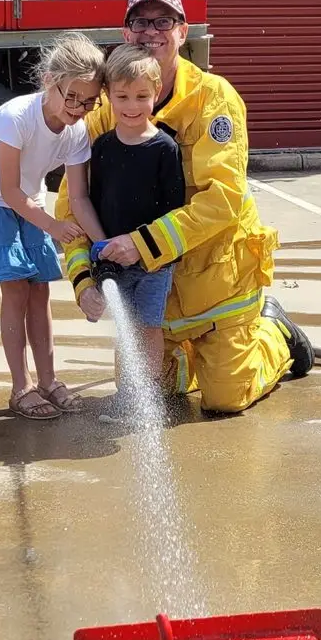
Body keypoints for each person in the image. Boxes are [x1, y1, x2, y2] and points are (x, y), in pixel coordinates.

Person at [55, 0, 315, 414]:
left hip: (216, 283)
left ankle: (273, 332)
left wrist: (139, 244)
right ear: (125, 33)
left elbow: (224, 198)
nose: (151, 32)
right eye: (140, 22)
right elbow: (71, 204)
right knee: (144, 394)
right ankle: (186, 358)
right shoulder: (105, 109)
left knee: (226, 399)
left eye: (164, 22)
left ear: (182, 32)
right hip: (150, 293)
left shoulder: (214, 99)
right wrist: (84, 280)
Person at [0, 31, 105, 421]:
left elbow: (81, 198)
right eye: (72, 97)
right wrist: (52, 226)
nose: (79, 108)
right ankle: (20, 388)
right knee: (17, 290)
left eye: (89, 101)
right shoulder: (15, 118)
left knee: (40, 291)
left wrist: (103, 244)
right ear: (48, 81)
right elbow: (8, 190)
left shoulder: (77, 130)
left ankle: (49, 380)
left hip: (28, 199)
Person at [66, 43, 185, 390]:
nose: (132, 107)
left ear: (156, 93)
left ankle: (146, 394)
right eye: (122, 97)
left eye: (141, 96)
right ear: (107, 96)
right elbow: (91, 200)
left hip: (154, 262)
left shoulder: (165, 148)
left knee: (148, 326)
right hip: (113, 258)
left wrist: (150, 250)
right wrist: (100, 250)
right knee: (125, 325)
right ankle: (128, 392)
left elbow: (173, 210)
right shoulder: (101, 147)